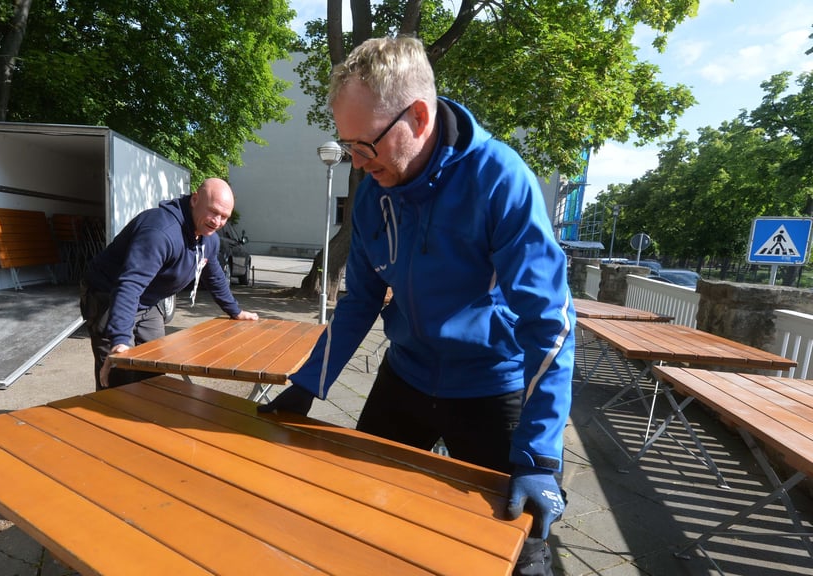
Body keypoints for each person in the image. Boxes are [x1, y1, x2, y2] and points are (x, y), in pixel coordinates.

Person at [258, 37, 575, 576]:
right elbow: (358, 299)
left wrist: (541, 455)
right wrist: (309, 382)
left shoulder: (498, 181)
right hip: (405, 375)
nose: (356, 161)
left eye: (365, 145)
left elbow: (549, 325)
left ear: (419, 117)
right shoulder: (372, 194)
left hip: (490, 384)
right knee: (360, 510)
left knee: (520, 546)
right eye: (346, 146)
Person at [81, 178, 259, 390]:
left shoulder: (208, 238)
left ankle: (146, 418)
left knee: (154, 368)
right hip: (109, 297)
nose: (217, 221)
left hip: (149, 301)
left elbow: (214, 276)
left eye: (224, 217)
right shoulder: (161, 232)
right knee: (119, 374)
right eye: (213, 211)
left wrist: (235, 311)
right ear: (195, 199)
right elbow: (130, 285)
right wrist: (120, 339)